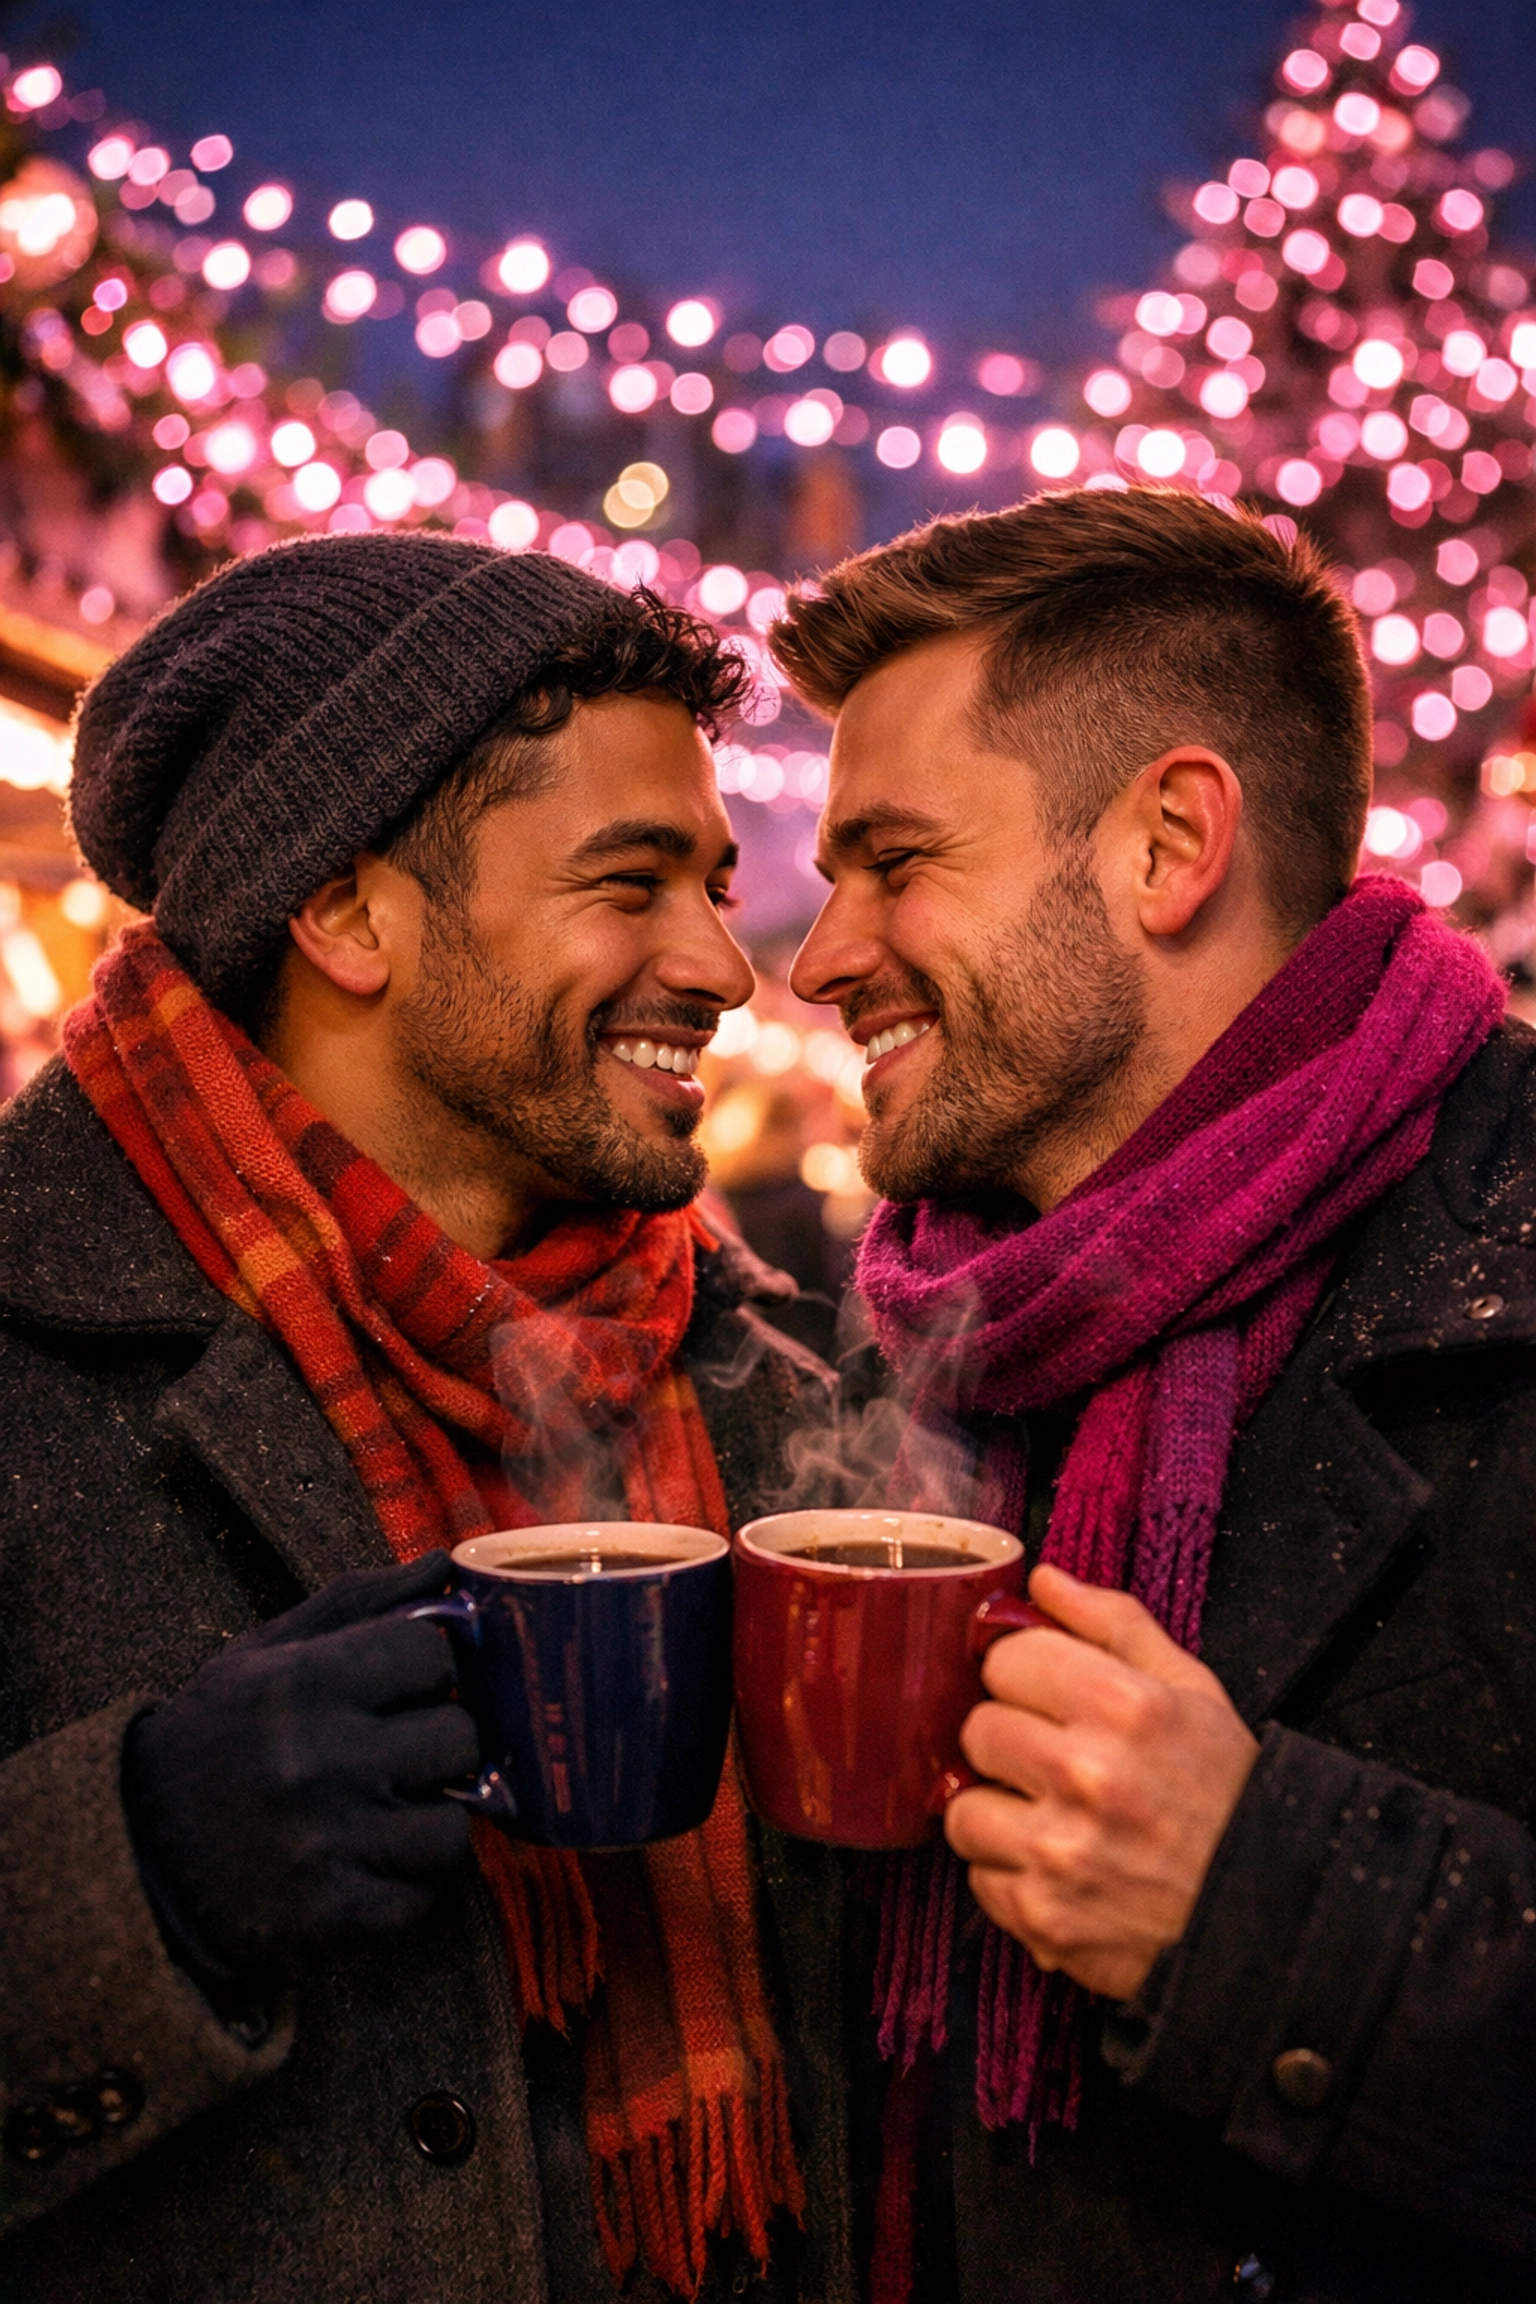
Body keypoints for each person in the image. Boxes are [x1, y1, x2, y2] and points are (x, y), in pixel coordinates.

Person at [0, 536, 846, 2304]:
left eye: (716, 880)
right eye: (632, 881)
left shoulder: (767, 1384)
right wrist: (138, 1863)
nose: (725, 962)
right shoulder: (30, 1329)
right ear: (347, 908)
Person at [774, 486, 1536, 2304]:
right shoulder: (951, 1320)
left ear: (1169, 841)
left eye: (895, 860)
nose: (817, 959)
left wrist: (1264, 1900)